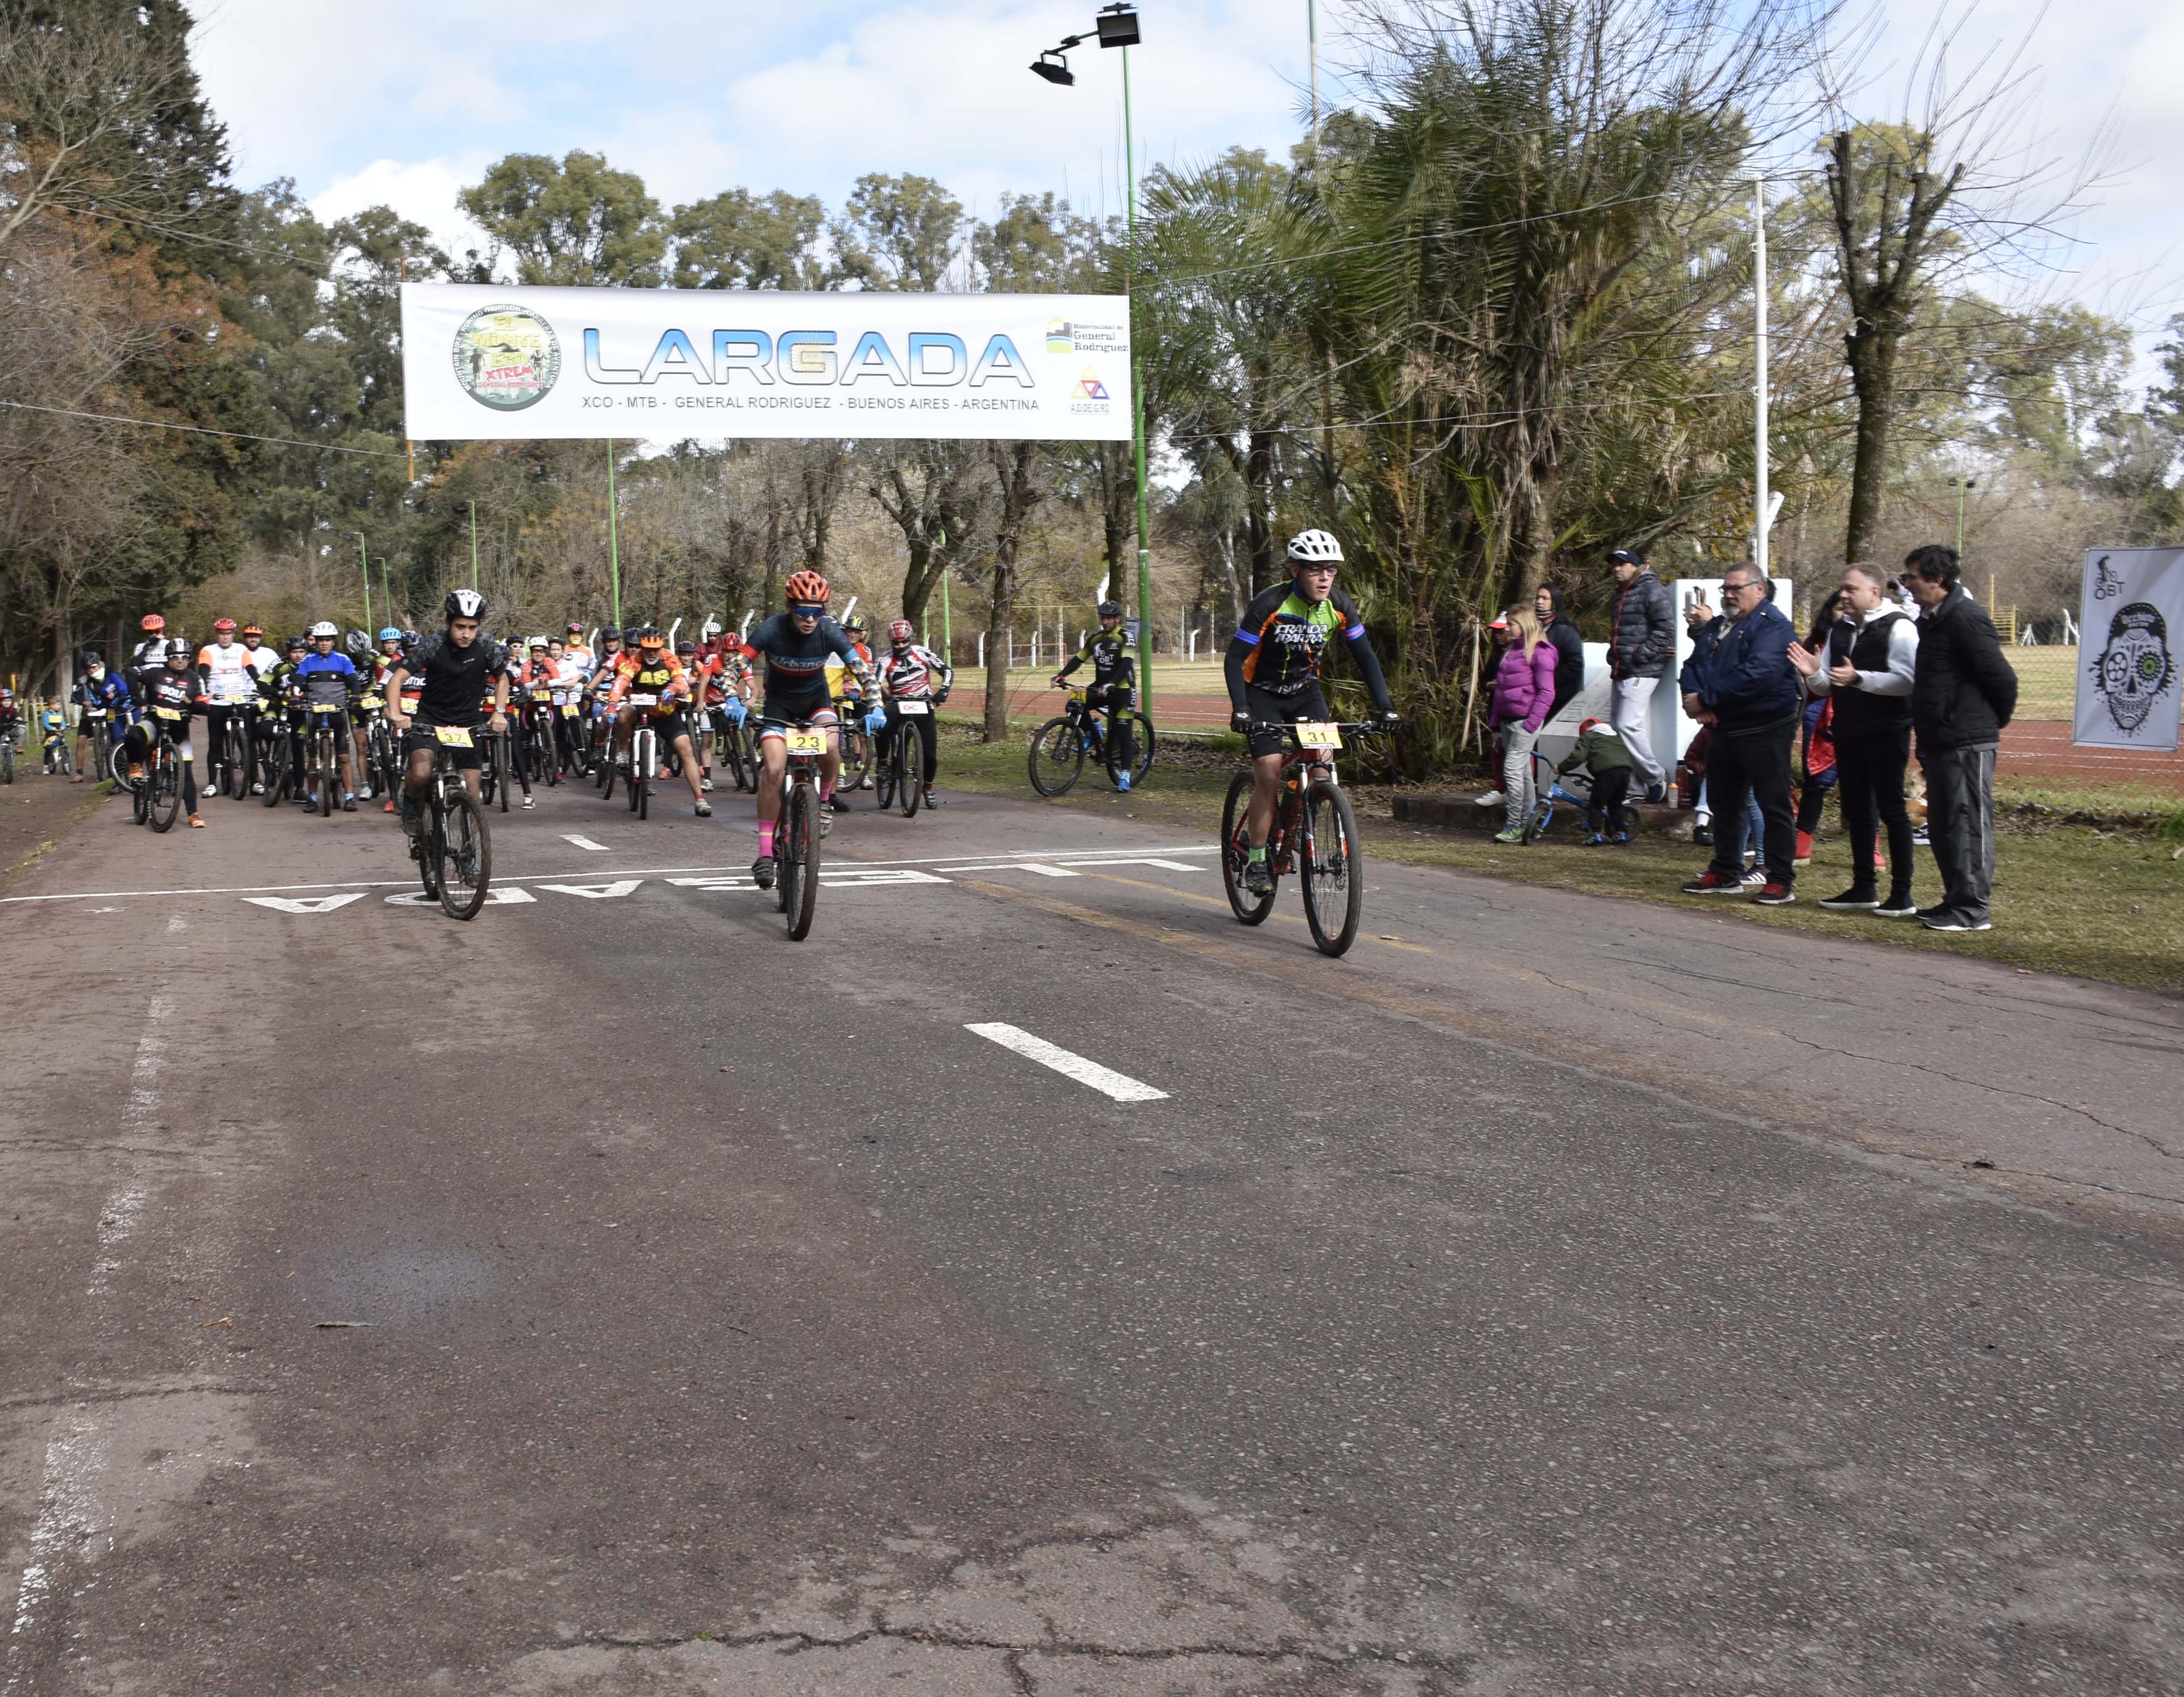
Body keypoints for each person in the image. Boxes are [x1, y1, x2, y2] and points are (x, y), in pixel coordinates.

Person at [1224, 529, 1400, 896]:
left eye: (1331, 570)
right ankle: (1256, 858)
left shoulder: (1339, 605)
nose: (1324, 578)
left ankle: (1298, 814)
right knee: (1269, 771)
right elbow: (1235, 658)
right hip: (1262, 694)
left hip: (1306, 694)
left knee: (1323, 766)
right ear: (1296, 570)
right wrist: (1241, 709)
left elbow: (1366, 657)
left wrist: (1385, 707)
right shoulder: (1271, 603)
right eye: (1315, 570)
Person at [1790, 561, 1919, 918]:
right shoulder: (1841, 629)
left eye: (1851, 589)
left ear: (1874, 592)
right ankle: (1864, 887)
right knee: (1857, 809)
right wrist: (1812, 674)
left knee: (1892, 810)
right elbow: (1828, 686)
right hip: (1848, 730)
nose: (1843, 595)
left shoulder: (1900, 627)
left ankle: (1902, 894)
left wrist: (1860, 678)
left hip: (1888, 730)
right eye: (1842, 588)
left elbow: (1907, 681)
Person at [1901, 543, 2016, 932]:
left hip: (1966, 740)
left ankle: (1972, 909)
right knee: (1945, 824)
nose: (1907, 585)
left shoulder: (1965, 618)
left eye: (1912, 578)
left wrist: (1983, 722)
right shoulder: (1932, 620)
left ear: (1937, 580)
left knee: (1967, 823)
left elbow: (2002, 679)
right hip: (1940, 740)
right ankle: (1955, 899)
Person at [745, 573, 884, 885]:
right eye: (804, 611)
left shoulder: (829, 632)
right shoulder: (771, 629)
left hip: (816, 703)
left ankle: (823, 803)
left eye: (817, 611)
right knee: (773, 770)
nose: (810, 619)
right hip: (779, 706)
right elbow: (735, 666)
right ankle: (765, 853)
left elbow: (863, 673)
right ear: (789, 607)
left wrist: (876, 705)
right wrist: (732, 698)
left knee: (831, 745)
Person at [1678, 561, 1799, 903]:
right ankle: (1726, 871)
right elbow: (1694, 664)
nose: (1729, 595)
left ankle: (1779, 880)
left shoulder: (1775, 627)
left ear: (1760, 589)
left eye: (1736, 588)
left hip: (1765, 727)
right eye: (1725, 589)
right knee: (1724, 802)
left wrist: (1706, 699)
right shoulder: (1719, 625)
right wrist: (1694, 700)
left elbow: (1758, 675)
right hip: (1724, 727)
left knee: (1773, 804)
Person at [386, 589, 510, 831]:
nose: (467, 634)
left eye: (472, 628)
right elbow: (396, 679)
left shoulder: (486, 644)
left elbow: (502, 679)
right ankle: (410, 800)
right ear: (448, 623)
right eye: (460, 627)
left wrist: (499, 712)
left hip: (468, 720)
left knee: (473, 789)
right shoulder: (433, 644)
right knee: (421, 773)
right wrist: (396, 713)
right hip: (430, 718)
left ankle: (472, 846)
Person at [606, 627, 709, 816]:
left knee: (686, 749)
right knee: (623, 714)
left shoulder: (670, 658)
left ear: (661, 647)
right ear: (642, 648)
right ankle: (624, 751)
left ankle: (700, 799)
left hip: (665, 712)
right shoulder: (634, 660)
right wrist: (612, 705)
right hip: (639, 708)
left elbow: (682, 682)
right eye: (647, 649)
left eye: (655, 649)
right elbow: (620, 682)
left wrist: (673, 689)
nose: (652, 653)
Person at [1606, 546, 1674, 804]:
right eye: (1614, 564)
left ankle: (1655, 778)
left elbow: (1665, 629)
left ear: (1635, 566)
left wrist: (1639, 655)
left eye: (1621, 564)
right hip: (1622, 670)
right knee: (1617, 729)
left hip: (1643, 670)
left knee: (1627, 725)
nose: (1616, 569)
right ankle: (1634, 787)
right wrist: (1613, 656)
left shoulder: (1652, 590)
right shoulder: (1620, 595)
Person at [1488, 604, 1559, 844]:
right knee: (1523, 773)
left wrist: (1531, 724)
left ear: (1525, 624)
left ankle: (1515, 825)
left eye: (1512, 624)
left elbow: (1547, 692)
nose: (1507, 629)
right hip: (1507, 721)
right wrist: (1495, 724)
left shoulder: (1540, 652)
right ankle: (1529, 822)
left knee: (1512, 770)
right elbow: (1501, 691)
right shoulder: (1511, 651)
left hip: (1524, 722)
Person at [1053, 600, 1138, 788]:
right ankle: (1093, 733)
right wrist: (1062, 675)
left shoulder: (1126, 637)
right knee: (1074, 704)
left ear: (1118, 619)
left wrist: (1113, 683)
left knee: (1123, 732)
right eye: (1103, 618)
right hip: (1100, 688)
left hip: (1123, 689)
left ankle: (1125, 776)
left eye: (1109, 618)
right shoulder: (1096, 639)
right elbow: (1079, 658)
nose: (1105, 622)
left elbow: (1126, 663)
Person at [123, 640, 206, 827]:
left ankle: (193, 814)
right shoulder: (156, 671)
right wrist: (137, 698)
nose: (180, 660)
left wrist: (192, 704)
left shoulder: (195, 678)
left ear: (189, 659)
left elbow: (205, 705)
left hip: (180, 730)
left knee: (186, 771)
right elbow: (131, 672)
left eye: (184, 657)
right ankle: (135, 766)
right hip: (154, 722)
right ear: (168, 658)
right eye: (175, 657)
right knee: (133, 735)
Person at [1790, 591, 1846, 866]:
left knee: (1865, 783)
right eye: (1839, 608)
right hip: (1821, 719)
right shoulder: (1815, 643)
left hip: (1859, 715)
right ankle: (1802, 842)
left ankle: (1872, 844)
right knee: (1816, 782)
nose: (1845, 613)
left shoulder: (1869, 638)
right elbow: (1808, 686)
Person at [874, 617, 953, 809]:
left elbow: (947, 671)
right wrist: (884, 697)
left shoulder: (923, 653)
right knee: (882, 727)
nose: (900, 646)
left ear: (910, 639)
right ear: (891, 642)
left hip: (922, 702)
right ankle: (883, 763)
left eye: (904, 642)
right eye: (896, 643)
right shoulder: (885, 659)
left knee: (931, 753)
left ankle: (928, 786)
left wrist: (943, 691)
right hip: (897, 702)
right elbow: (874, 682)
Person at [295, 621, 361, 810]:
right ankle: (313, 798)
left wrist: (355, 696)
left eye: (328, 640)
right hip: (314, 711)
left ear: (333, 641)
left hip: (337, 711)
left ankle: (349, 797)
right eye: (320, 640)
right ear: (315, 642)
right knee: (313, 759)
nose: (324, 644)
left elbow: (353, 680)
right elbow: (299, 679)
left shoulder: (343, 659)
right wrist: (295, 695)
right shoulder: (308, 661)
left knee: (344, 756)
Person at [192, 618, 261, 800]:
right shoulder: (208, 651)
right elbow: (203, 674)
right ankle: (212, 784)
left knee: (248, 742)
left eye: (228, 633)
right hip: (217, 699)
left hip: (240, 697)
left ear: (233, 634)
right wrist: (203, 693)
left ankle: (254, 781)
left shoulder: (242, 650)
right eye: (222, 634)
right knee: (215, 742)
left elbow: (253, 671)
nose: (225, 637)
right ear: (217, 634)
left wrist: (262, 689)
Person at [1555, 717, 1636, 844]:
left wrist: (1561, 768)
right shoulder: (1615, 738)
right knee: (1616, 804)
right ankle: (1621, 834)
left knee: (1596, 805)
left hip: (1607, 772)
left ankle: (1595, 835)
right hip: (1626, 771)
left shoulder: (1589, 736)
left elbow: (1578, 757)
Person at [70, 649, 131, 783]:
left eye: (93, 667)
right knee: (81, 739)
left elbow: (124, 690)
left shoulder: (111, 674)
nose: (91, 671)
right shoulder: (84, 681)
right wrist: (82, 701)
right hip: (91, 712)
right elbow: (75, 695)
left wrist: (116, 697)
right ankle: (79, 772)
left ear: (99, 665)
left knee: (115, 735)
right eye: (88, 669)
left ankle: (116, 764)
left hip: (111, 710)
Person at [1472, 614, 1514, 807]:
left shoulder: (1523, 653)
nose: (1497, 635)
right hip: (1497, 707)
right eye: (1495, 632)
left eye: (1501, 631)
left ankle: (1513, 792)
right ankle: (1500, 788)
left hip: (1516, 712)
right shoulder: (1496, 655)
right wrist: (1491, 685)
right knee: (1498, 748)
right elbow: (1483, 681)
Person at [1535, 582, 1586, 722]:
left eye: (1545, 598)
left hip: (1559, 699)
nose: (1539, 602)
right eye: (1538, 597)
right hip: (1539, 698)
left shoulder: (1565, 630)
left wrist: (1549, 679)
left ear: (1555, 602)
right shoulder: (1537, 629)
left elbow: (1575, 664)